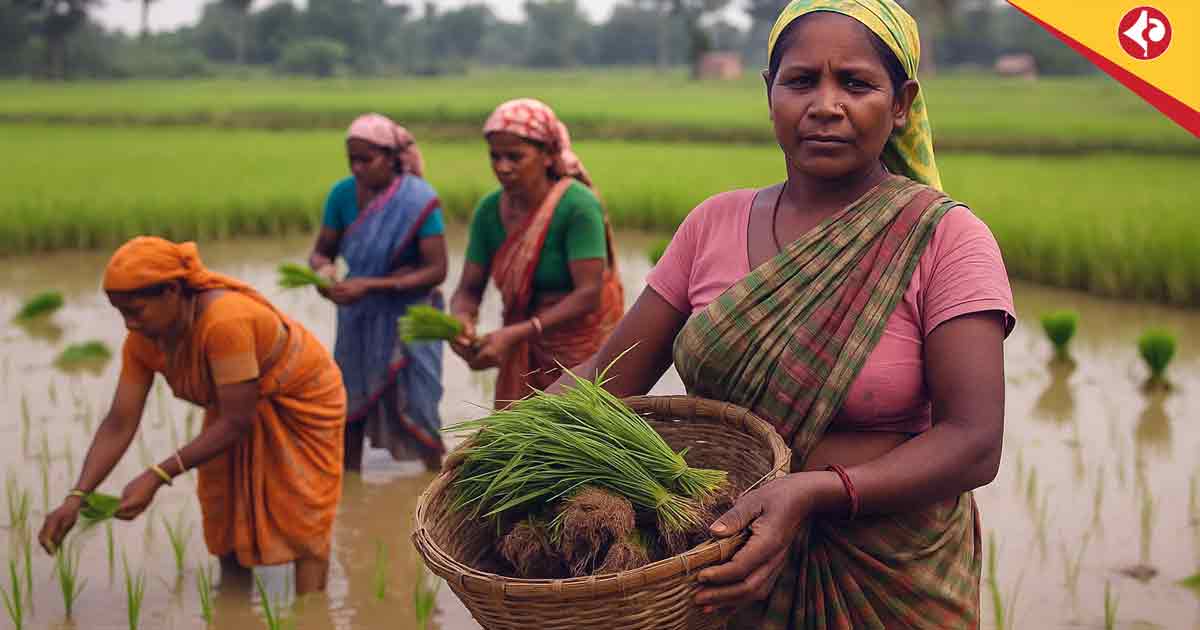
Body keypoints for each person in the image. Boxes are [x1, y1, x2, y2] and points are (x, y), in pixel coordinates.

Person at [553, 1, 1014, 627]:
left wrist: (813, 492)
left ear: (901, 102)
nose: (826, 105)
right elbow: (607, 378)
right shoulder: (712, 224)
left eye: (855, 82)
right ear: (769, 93)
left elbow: (973, 444)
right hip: (724, 567)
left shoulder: (946, 239)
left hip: (887, 578)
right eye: (801, 81)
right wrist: (504, 440)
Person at [38, 237, 346, 594]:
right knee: (224, 506)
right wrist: (76, 496)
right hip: (233, 399)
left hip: (297, 399)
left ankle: (311, 609)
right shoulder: (144, 340)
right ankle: (233, 605)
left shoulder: (224, 322)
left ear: (171, 291)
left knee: (302, 514)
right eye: (120, 313)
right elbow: (120, 421)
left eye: (135, 311)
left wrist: (156, 475)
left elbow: (236, 422)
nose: (128, 325)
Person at [449, 98, 623, 409]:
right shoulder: (489, 212)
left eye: (515, 157)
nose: (502, 167)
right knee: (519, 445)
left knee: (579, 439)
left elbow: (589, 293)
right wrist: (461, 319)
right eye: (495, 156)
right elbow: (468, 287)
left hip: (579, 347)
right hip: (521, 340)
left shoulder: (577, 206)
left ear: (546, 155)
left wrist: (519, 332)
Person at [308, 114, 449, 472]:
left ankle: (438, 487)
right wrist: (324, 274)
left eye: (365, 160)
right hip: (358, 318)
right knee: (351, 408)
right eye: (351, 159)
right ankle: (348, 489)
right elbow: (322, 250)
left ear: (391, 158)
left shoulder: (418, 199)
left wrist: (370, 285)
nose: (357, 168)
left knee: (421, 407)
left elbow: (437, 270)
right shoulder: (342, 195)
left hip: (411, 318)